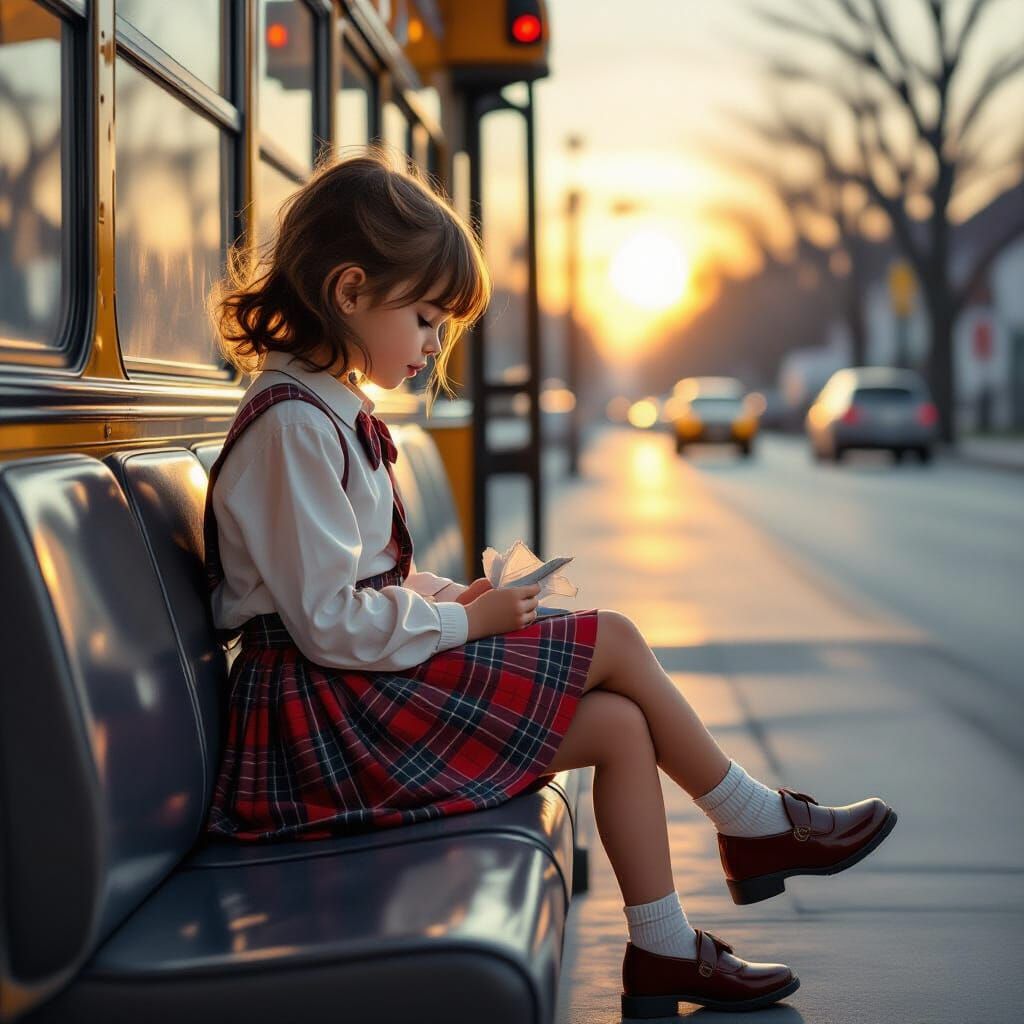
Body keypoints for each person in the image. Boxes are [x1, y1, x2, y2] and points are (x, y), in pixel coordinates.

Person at [203, 147, 897, 1016]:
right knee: (612, 638)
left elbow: (363, 580)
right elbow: (329, 623)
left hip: (343, 702)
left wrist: (457, 599)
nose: (432, 346)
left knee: (615, 725)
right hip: (318, 726)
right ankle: (753, 823)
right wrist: (468, 625)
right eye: (424, 319)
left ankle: (664, 949)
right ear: (348, 293)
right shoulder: (293, 429)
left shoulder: (325, 413)